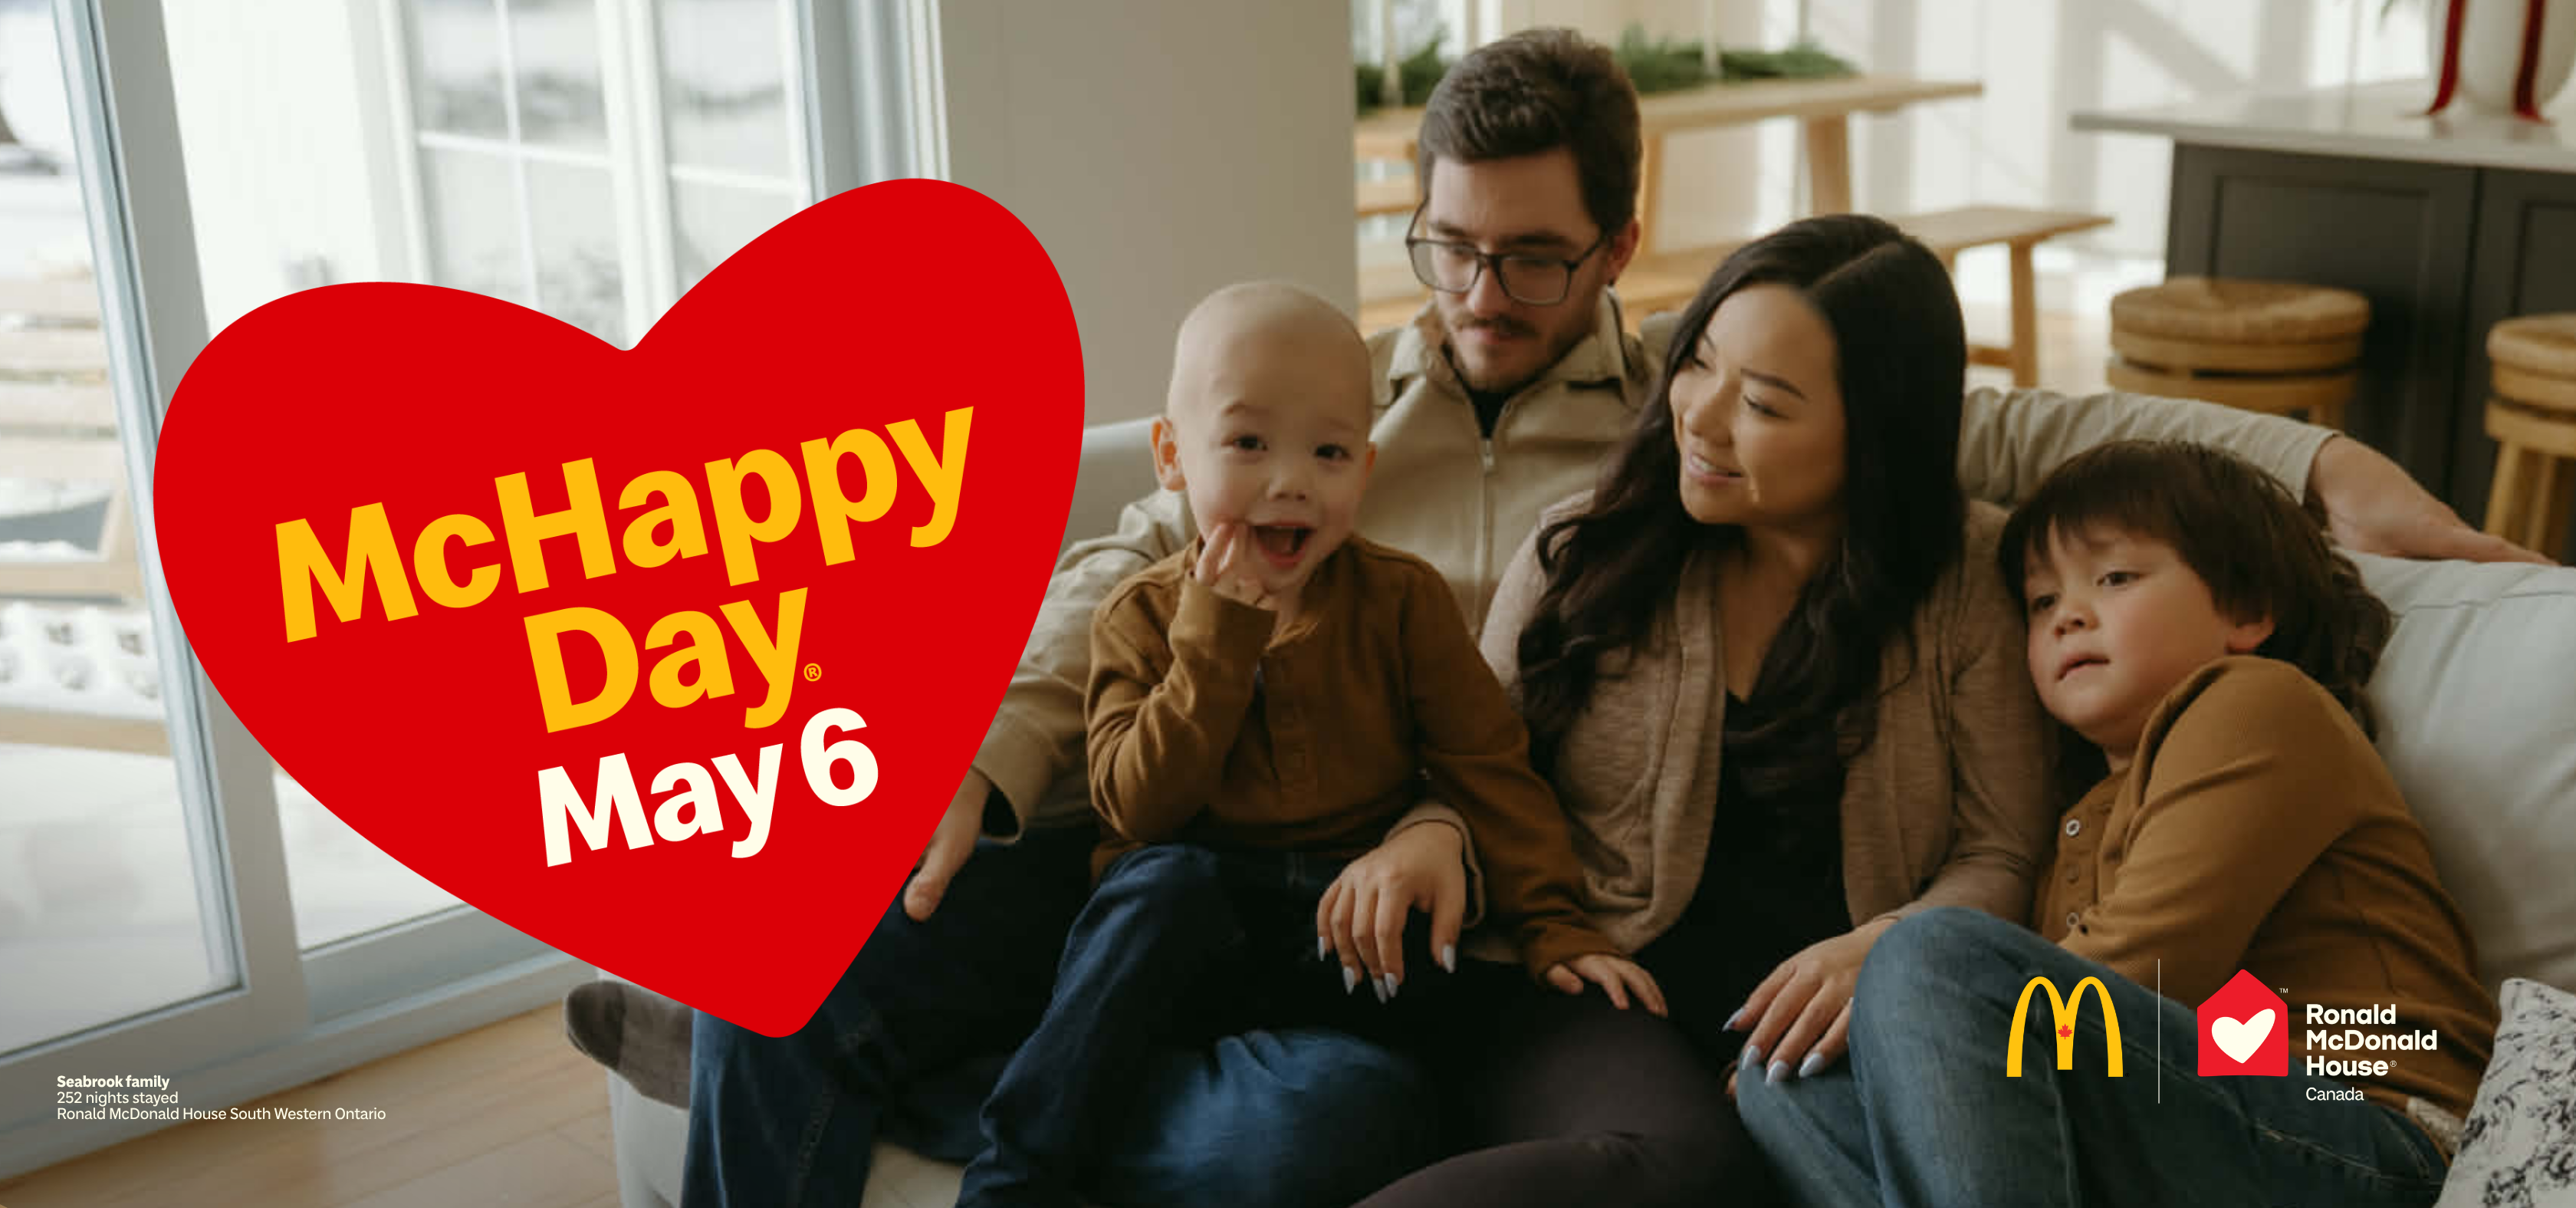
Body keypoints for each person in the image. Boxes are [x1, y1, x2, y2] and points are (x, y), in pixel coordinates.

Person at [670, 27, 2536, 1208]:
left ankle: (1040, 1095)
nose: (1485, 292)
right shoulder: (1347, 423)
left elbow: (2117, 967)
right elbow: (1129, 566)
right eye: (1449, 246)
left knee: (1352, 1129)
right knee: (805, 934)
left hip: (2311, 1077)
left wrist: (2317, 478)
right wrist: (990, 758)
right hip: (1337, 872)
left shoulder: (2096, 645)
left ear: (1614, 256)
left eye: (1534, 255)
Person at [1331, 208, 2054, 1206]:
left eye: (1760, 401)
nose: (1699, 417)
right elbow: (1473, 764)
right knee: (1687, 1163)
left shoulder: (1969, 578)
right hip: (1590, 984)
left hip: (1826, 1020)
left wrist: (1887, 943)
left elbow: (2000, 848)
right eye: (1696, 362)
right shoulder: (1580, 550)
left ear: (1876, 428)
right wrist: (1424, 834)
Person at [955, 281, 1644, 1208]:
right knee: (1162, 882)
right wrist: (1214, 645)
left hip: (1338, 930)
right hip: (1184, 936)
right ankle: (1017, 1174)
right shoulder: (1143, 614)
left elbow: (1488, 765)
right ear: (1171, 456)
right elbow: (1139, 806)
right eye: (1248, 444)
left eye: (1326, 453)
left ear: (1363, 472)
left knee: (1432, 990)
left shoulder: (1403, 602)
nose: (1290, 481)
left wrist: (1554, 925)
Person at [1736, 440, 2501, 1208]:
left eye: (2115, 577)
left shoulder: (2258, 704)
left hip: (2378, 1130)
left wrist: (1933, 996)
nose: (2069, 614)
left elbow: (2147, 970)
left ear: (2246, 611)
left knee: (1935, 958)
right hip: (2201, 1118)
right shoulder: (2077, 815)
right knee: (1784, 1081)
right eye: (2041, 603)